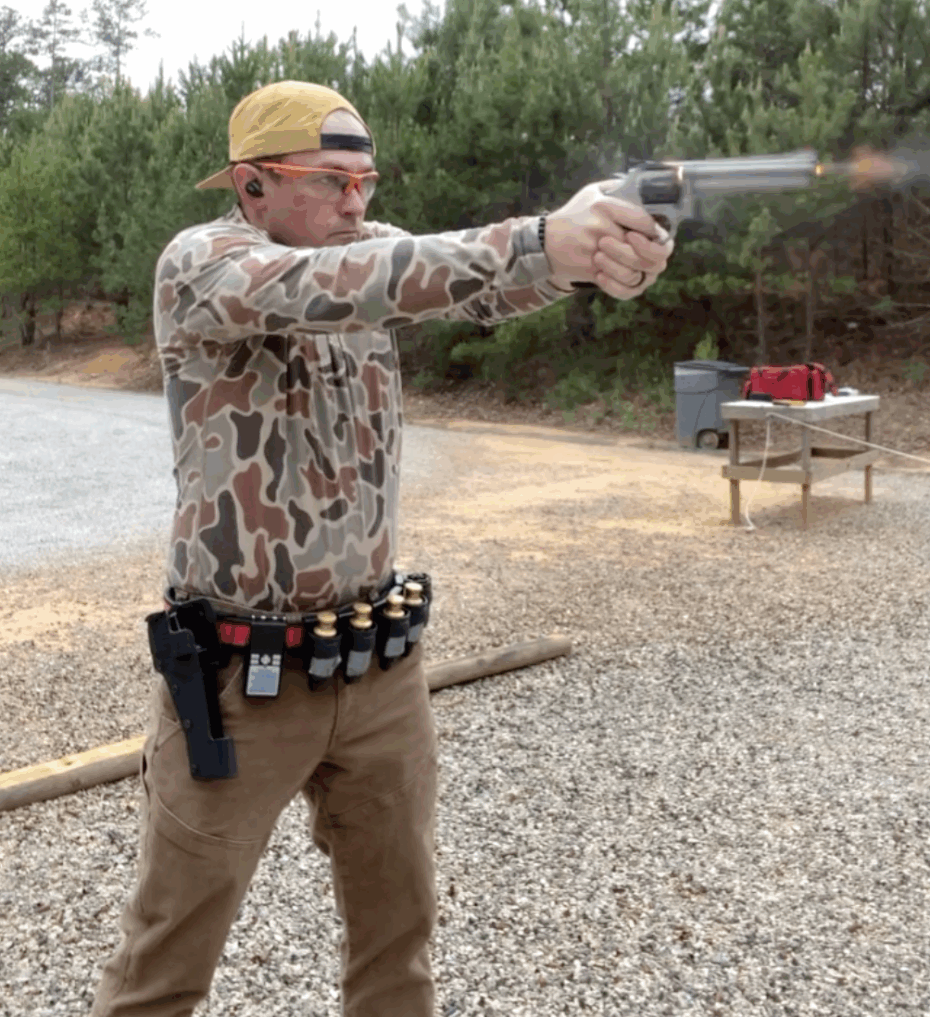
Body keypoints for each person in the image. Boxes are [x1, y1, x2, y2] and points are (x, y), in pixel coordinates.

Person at [90, 80, 674, 1017]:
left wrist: (596, 252)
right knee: (165, 960)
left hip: (379, 674)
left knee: (399, 941)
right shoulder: (203, 262)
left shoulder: (364, 248)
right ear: (251, 185)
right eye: (330, 180)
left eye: (365, 179)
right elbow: (340, 287)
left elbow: (469, 286)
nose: (357, 202)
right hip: (240, 683)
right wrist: (538, 237)